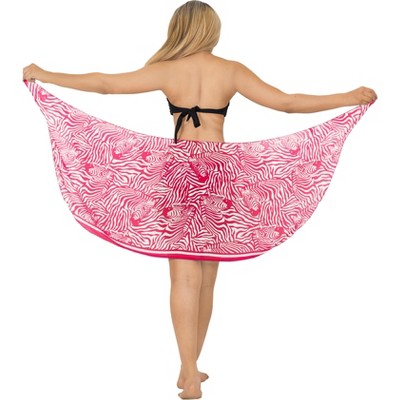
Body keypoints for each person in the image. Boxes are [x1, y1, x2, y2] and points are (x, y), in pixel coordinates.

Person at [23, 1, 377, 398]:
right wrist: (348, 96)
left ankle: (189, 369)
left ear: (179, 29)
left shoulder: (168, 69)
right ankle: (190, 367)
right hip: (220, 174)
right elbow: (288, 102)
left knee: (183, 277)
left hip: (178, 174)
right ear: (211, 29)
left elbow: (106, 84)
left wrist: (45, 74)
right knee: (207, 279)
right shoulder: (230, 70)